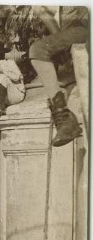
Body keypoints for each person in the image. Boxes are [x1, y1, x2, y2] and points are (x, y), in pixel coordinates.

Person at [29, 6, 88, 147]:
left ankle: (64, 117)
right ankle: (63, 116)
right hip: (77, 31)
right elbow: (42, 10)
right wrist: (62, 47)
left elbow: (41, 10)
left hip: (85, 28)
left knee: (38, 50)